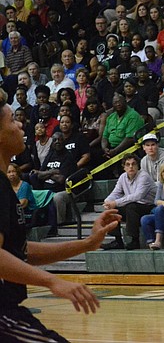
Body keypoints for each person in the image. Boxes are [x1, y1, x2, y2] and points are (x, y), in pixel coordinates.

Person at [0, 87, 122, 340]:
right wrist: (52, 281)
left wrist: (87, 243)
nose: (21, 125)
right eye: (12, 120)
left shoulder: (6, 184)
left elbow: (19, 251)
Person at [99, 155, 156, 251]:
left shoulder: (144, 176)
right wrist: (108, 202)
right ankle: (118, 241)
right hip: (135, 206)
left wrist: (115, 202)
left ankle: (135, 240)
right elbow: (115, 193)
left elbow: (137, 196)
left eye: (133, 164)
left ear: (138, 166)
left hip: (149, 206)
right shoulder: (123, 177)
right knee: (113, 210)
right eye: (128, 164)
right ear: (124, 167)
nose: (131, 167)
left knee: (131, 206)